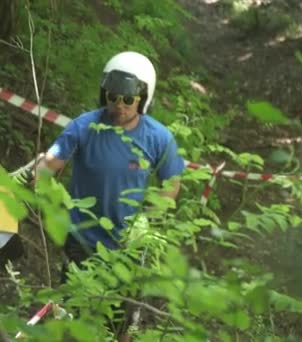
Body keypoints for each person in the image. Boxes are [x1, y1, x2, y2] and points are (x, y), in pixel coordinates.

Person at [36, 51, 185, 341]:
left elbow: (172, 184)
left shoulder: (159, 138)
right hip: (81, 239)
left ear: (143, 99)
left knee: (122, 324)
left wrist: (147, 221)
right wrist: (45, 185)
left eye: (128, 100)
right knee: (72, 318)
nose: (119, 105)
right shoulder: (83, 126)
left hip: (128, 249)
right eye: (113, 97)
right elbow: (48, 166)